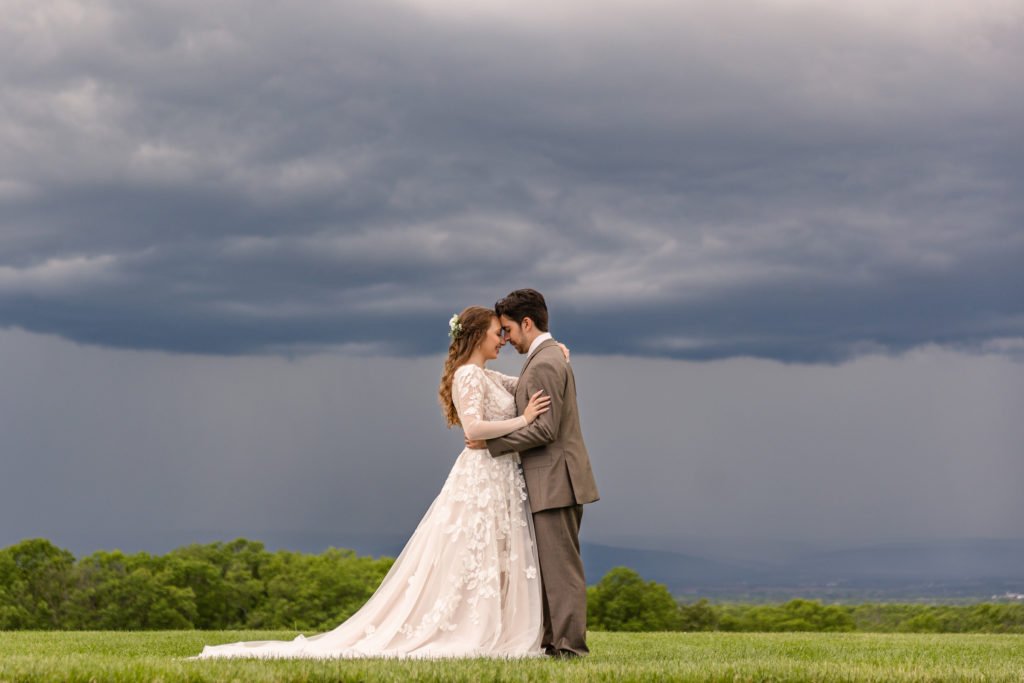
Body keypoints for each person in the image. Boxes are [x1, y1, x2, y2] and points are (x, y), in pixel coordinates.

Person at [192, 305, 564, 659]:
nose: (502, 339)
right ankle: (472, 628)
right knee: (473, 552)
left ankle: (496, 626)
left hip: (499, 478)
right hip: (482, 478)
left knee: (495, 555)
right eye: (496, 333)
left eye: (504, 333)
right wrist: (523, 420)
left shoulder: (483, 374)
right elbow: (474, 429)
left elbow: (521, 385)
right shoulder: (467, 375)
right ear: (477, 336)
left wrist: (554, 354)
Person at [466, 288, 599, 658]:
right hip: (553, 480)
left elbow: (545, 429)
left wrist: (490, 446)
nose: (506, 339)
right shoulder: (547, 355)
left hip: (556, 480)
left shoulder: (543, 361)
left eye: (508, 329)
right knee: (552, 570)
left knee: (562, 570)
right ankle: (555, 644)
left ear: (527, 323)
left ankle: (571, 649)